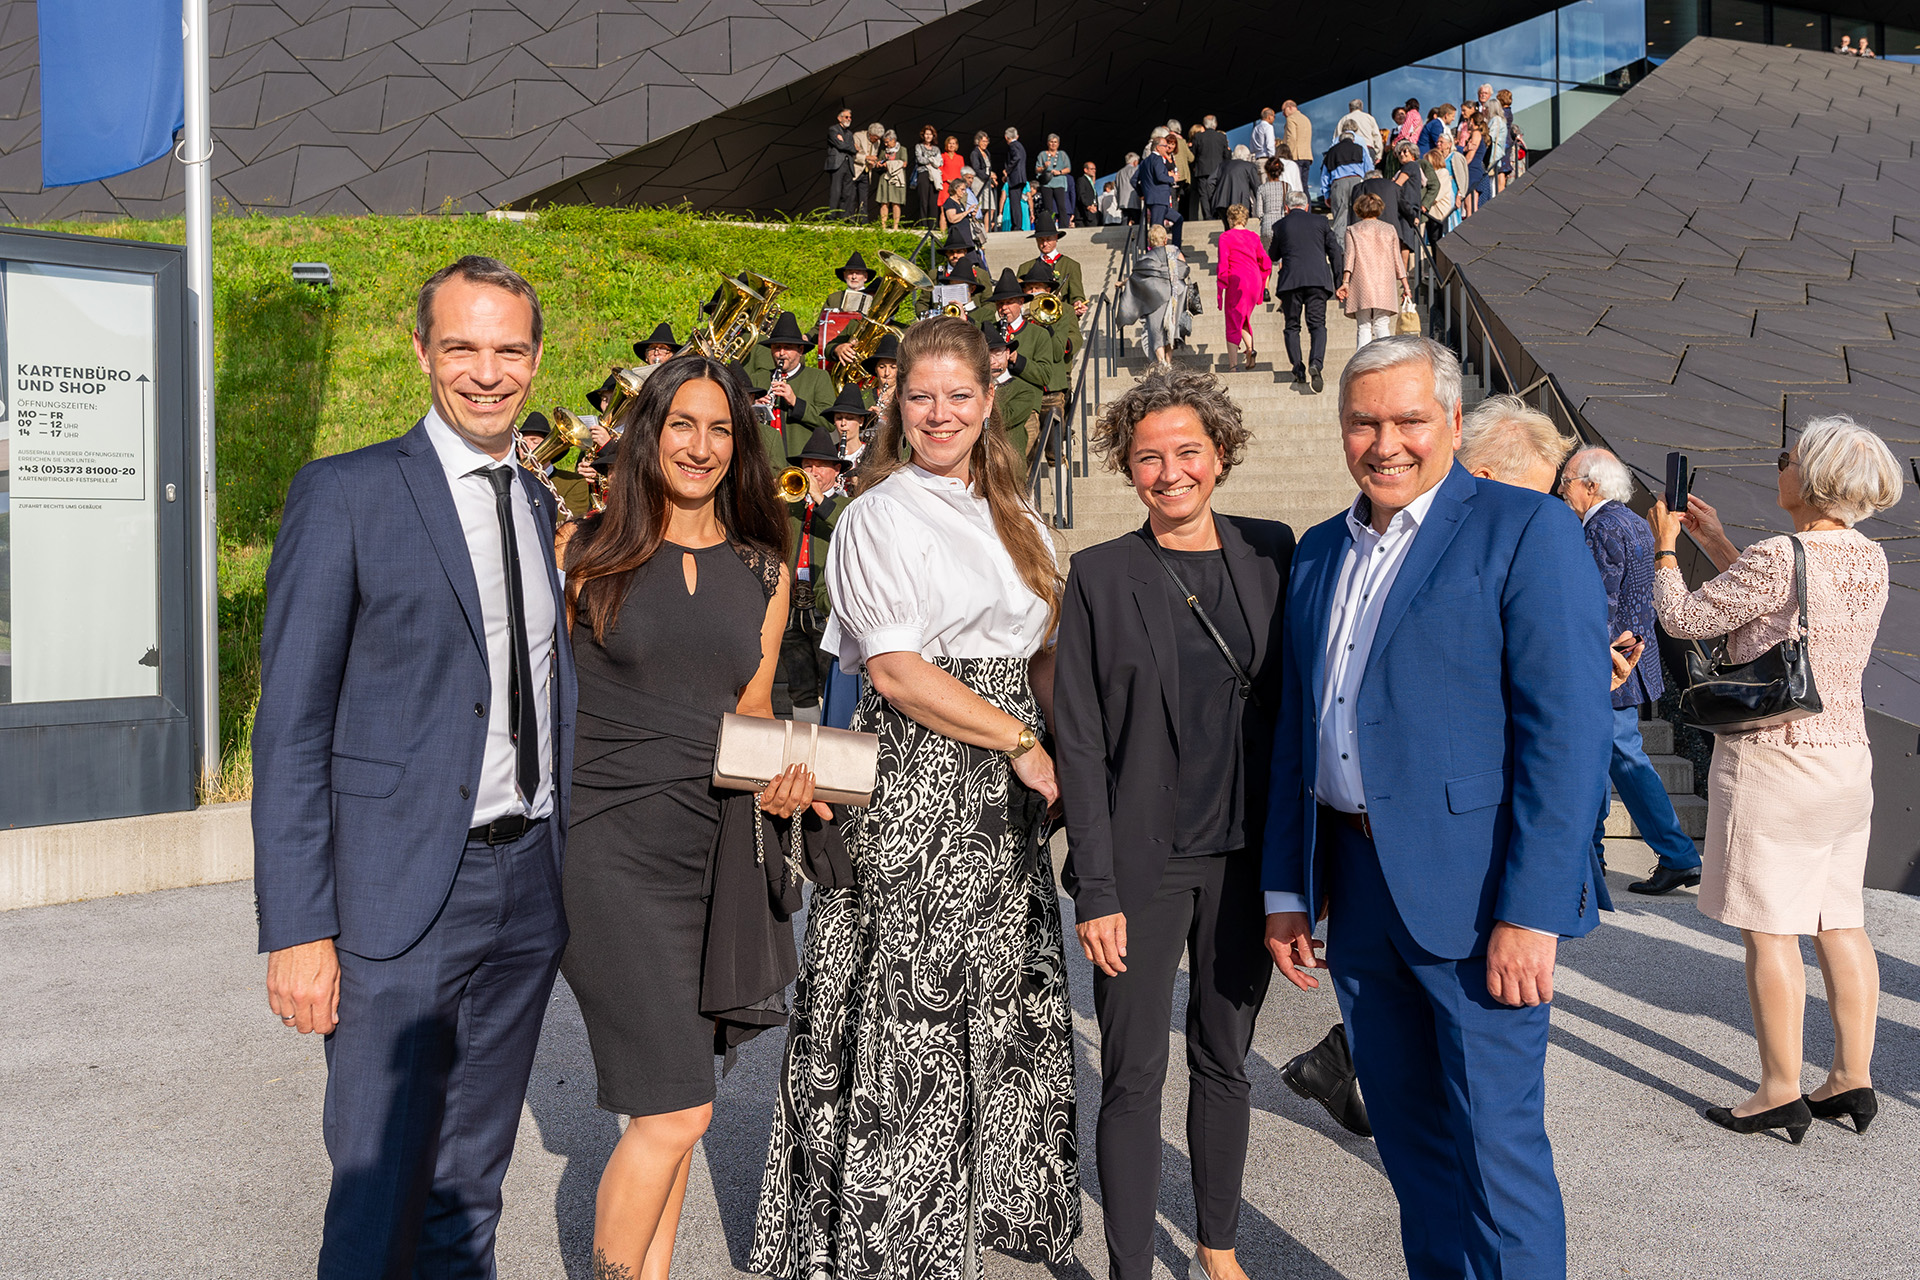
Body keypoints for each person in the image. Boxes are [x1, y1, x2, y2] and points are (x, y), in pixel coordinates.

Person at [253, 256, 576, 1277]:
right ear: (422, 349)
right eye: (463, 346)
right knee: (376, 1191)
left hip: (528, 889)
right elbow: (292, 726)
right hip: (398, 900)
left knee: (470, 1186)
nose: (487, 371)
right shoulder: (346, 492)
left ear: (535, 358)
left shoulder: (535, 498)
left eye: (509, 349)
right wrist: (300, 925)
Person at [1263, 335, 1612, 1280]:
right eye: (1365, 421)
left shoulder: (1524, 530)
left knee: (1497, 1157)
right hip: (1357, 885)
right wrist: (1284, 888)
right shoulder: (1323, 550)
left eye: (1410, 419)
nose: (1387, 442)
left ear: (1453, 424)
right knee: (1412, 1149)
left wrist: (1530, 912)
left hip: (1479, 896)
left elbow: (1568, 738)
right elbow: (1304, 724)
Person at [752, 317, 1079, 1278]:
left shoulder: (1015, 510)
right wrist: (1021, 739)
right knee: (915, 1002)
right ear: (897, 403)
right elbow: (893, 671)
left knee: (1001, 985)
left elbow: (1042, 650)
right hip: (927, 780)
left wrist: (1070, 748)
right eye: (921, 397)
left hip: (1012, 783)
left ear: (989, 404)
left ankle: (993, 1198)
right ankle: (891, 1232)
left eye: (959, 397)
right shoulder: (875, 513)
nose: (939, 414)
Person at [560, 354, 810, 1279]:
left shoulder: (764, 569)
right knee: (678, 1112)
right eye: (681, 426)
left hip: (715, 855)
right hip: (607, 850)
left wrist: (786, 778)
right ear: (647, 435)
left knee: (674, 1104)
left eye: (719, 429)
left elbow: (749, 714)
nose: (700, 447)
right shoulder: (583, 556)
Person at [1056, 366, 1293, 1280]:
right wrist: (1098, 889)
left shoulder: (1276, 554)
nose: (1169, 472)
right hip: (1143, 865)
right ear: (1126, 467)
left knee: (1225, 1060)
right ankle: (1129, 1268)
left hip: (1244, 860)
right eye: (1148, 457)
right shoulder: (1100, 575)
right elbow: (1078, 741)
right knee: (1131, 1075)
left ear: (1222, 454)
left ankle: (1219, 1248)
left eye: (1188, 451)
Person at [1648, 417, 1901, 1143]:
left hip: (1777, 757)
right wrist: (1718, 544)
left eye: (1787, 457)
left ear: (1812, 477)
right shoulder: (1867, 558)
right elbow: (1791, 613)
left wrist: (1666, 547)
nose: (1778, 465)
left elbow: (1686, 617)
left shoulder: (1779, 554)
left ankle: (1778, 1090)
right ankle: (1852, 1079)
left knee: (1772, 931)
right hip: (1846, 759)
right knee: (1840, 922)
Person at [1555, 445, 1702, 896]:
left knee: (1616, 757)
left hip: (1609, 665)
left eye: (1567, 482)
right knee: (1607, 757)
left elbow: (1598, 604)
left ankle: (1672, 855)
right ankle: (1598, 858)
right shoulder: (1634, 522)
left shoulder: (1600, 528)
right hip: (1630, 661)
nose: (1562, 489)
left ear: (1591, 486)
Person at [779, 422, 851, 711]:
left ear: (836, 471)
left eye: (820, 466)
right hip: (791, 605)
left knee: (829, 680)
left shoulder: (849, 506)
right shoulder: (791, 505)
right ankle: (803, 748)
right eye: (807, 465)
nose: (811, 471)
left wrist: (818, 498)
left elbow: (846, 531)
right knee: (799, 685)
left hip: (823, 605)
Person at [1268, 190, 1342, 392]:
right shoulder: (1321, 222)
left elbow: (1273, 255)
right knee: (1317, 325)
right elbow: (1335, 251)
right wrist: (1340, 281)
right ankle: (1316, 363)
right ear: (1307, 206)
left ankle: (1298, 368)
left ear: (1286, 208)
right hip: (1318, 280)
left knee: (1292, 326)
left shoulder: (1281, 225)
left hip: (1291, 281)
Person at [758, 311, 835, 455]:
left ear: (800, 350)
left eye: (787, 347)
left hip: (799, 459)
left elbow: (829, 423)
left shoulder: (818, 377)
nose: (781, 353)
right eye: (776, 347)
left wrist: (795, 402)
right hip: (765, 459)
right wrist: (754, 408)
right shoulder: (759, 378)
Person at [1341, 192, 1408, 349]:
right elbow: (1397, 259)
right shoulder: (1389, 229)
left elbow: (1349, 258)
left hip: (1361, 280)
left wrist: (1345, 281)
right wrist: (1405, 285)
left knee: (1363, 326)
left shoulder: (1353, 230)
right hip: (1385, 282)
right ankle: (1385, 360)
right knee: (1382, 324)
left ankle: (1362, 363)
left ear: (1359, 209)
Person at [1119, 223, 1191, 365]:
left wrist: (1122, 283)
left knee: (1155, 328)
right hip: (1174, 294)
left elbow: (1137, 277)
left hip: (1154, 296)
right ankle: (1168, 362)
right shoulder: (1174, 251)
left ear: (1149, 241)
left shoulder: (1146, 258)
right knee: (1171, 328)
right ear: (1165, 240)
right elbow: (1184, 270)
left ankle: (1161, 361)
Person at [1217, 204, 1271, 369]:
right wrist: (1264, 282)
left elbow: (1223, 264)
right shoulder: (1253, 237)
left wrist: (1221, 285)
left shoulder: (1225, 237)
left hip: (1237, 280)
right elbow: (1266, 261)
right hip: (1253, 280)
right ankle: (1250, 349)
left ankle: (1233, 366)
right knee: (1243, 317)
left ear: (1230, 219)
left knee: (1233, 321)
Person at [987, 323, 1041, 458]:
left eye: (998, 353)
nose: (992, 361)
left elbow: (1004, 418)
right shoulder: (971, 388)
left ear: (1007, 354)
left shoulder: (1024, 390)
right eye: (986, 355)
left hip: (1009, 465)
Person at [1323, 129, 1370, 241]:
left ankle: (1341, 251)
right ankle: (1358, 246)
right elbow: (1369, 169)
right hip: (1357, 182)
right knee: (1359, 215)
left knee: (1340, 218)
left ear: (1339, 141)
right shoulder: (1360, 149)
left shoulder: (1331, 152)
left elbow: (1325, 176)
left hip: (1339, 183)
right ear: (1353, 140)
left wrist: (1326, 194)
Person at [1139, 132, 1179, 239]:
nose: (1167, 148)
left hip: (1154, 199)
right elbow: (1160, 177)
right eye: (1165, 146)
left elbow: (1134, 180)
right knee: (1156, 228)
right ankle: (1153, 251)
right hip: (1159, 199)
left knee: (1178, 219)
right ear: (1158, 148)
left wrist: (1142, 193)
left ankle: (1176, 247)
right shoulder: (1158, 159)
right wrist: (1172, 178)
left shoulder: (1144, 162)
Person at [1212, 144, 1262, 226]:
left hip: (1222, 203)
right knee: (1240, 228)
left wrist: (1214, 197)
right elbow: (1257, 187)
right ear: (1247, 156)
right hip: (1241, 204)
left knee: (1228, 228)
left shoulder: (1222, 165)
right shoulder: (1249, 166)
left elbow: (1210, 182)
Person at [1037, 132, 1074, 227]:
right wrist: (1044, 167)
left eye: (1055, 142)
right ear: (1048, 143)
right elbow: (1037, 169)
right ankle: (1049, 226)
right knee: (1048, 207)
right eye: (1051, 142)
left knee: (1061, 206)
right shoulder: (1042, 154)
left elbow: (1068, 168)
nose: (1053, 144)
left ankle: (1064, 226)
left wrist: (1059, 172)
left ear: (1058, 144)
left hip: (1059, 182)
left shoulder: (1062, 154)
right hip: (1047, 182)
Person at [825, 107, 857, 217]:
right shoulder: (833, 130)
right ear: (839, 118)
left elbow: (854, 150)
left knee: (847, 193)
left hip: (848, 164)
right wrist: (850, 146)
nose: (849, 119)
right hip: (837, 164)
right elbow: (840, 145)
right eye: (846, 117)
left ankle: (844, 218)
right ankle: (831, 217)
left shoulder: (849, 133)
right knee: (836, 191)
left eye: (850, 117)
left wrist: (848, 145)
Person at [1255, 157, 1291, 247]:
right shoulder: (1287, 186)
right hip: (1283, 224)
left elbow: (1259, 212)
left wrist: (1265, 218)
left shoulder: (1261, 188)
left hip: (1267, 225)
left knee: (1268, 256)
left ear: (1267, 171)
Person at [1335, 97, 1383, 165]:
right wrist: (1378, 154)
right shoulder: (1369, 118)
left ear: (1350, 108)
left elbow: (1337, 138)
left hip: (1349, 150)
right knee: (1368, 174)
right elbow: (1377, 136)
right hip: (1367, 149)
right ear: (1361, 107)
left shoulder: (1344, 119)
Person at [875, 128, 907, 230]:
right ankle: (883, 226)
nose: (886, 144)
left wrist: (888, 164)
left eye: (887, 142)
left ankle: (895, 226)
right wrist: (879, 164)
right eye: (884, 142)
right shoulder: (884, 151)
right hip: (885, 178)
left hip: (897, 179)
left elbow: (904, 163)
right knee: (884, 202)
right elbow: (879, 162)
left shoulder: (902, 149)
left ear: (893, 140)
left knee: (896, 203)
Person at [915, 124, 943, 225]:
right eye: (926, 134)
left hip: (935, 175)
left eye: (930, 134)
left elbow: (940, 162)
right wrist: (932, 160)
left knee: (933, 202)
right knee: (923, 201)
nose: (928, 136)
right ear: (923, 135)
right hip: (923, 173)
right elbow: (920, 159)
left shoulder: (936, 149)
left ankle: (933, 226)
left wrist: (930, 160)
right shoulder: (919, 146)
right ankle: (923, 225)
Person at [853, 121, 882, 220]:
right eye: (875, 137)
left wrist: (873, 163)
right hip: (855, 171)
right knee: (851, 198)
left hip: (866, 173)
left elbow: (874, 157)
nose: (876, 140)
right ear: (870, 134)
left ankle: (863, 223)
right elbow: (853, 155)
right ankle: (850, 222)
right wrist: (866, 157)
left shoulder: (877, 142)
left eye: (878, 138)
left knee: (863, 200)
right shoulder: (858, 136)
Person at [1004, 126, 1030, 230]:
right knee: (1017, 202)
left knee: (1014, 203)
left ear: (1006, 137)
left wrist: (1007, 170)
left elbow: (1017, 157)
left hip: (1015, 178)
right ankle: (1018, 225)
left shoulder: (1012, 145)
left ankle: (1017, 226)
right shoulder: (1020, 145)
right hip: (1021, 177)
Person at [1282, 100, 1312, 173]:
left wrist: (1287, 157)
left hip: (1295, 157)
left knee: (1294, 183)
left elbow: (1291, 139)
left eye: (1283, 110)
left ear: (1289, 107)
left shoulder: (1291, 119)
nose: (1283, 114)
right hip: (1307, 157)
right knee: (1304, 183)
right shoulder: (1306, 119)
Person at [1118, 150, 1143, 223]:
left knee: (1124, 220)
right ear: (1135, 161)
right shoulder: (1135, 170)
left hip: (1122, 201)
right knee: (1136, 221)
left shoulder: (1119, 172)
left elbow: (1117, 188)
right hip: (1134, 200)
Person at [1077, 159, 1101, 227]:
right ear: (1086, 170)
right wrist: (1088, 206)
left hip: (1093, 212)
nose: (1094, 171)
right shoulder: (1082, 180)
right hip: (1086, 213)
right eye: (1092, 169)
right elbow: (1081, 195)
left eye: (1095, 169)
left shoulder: (1090, 181)